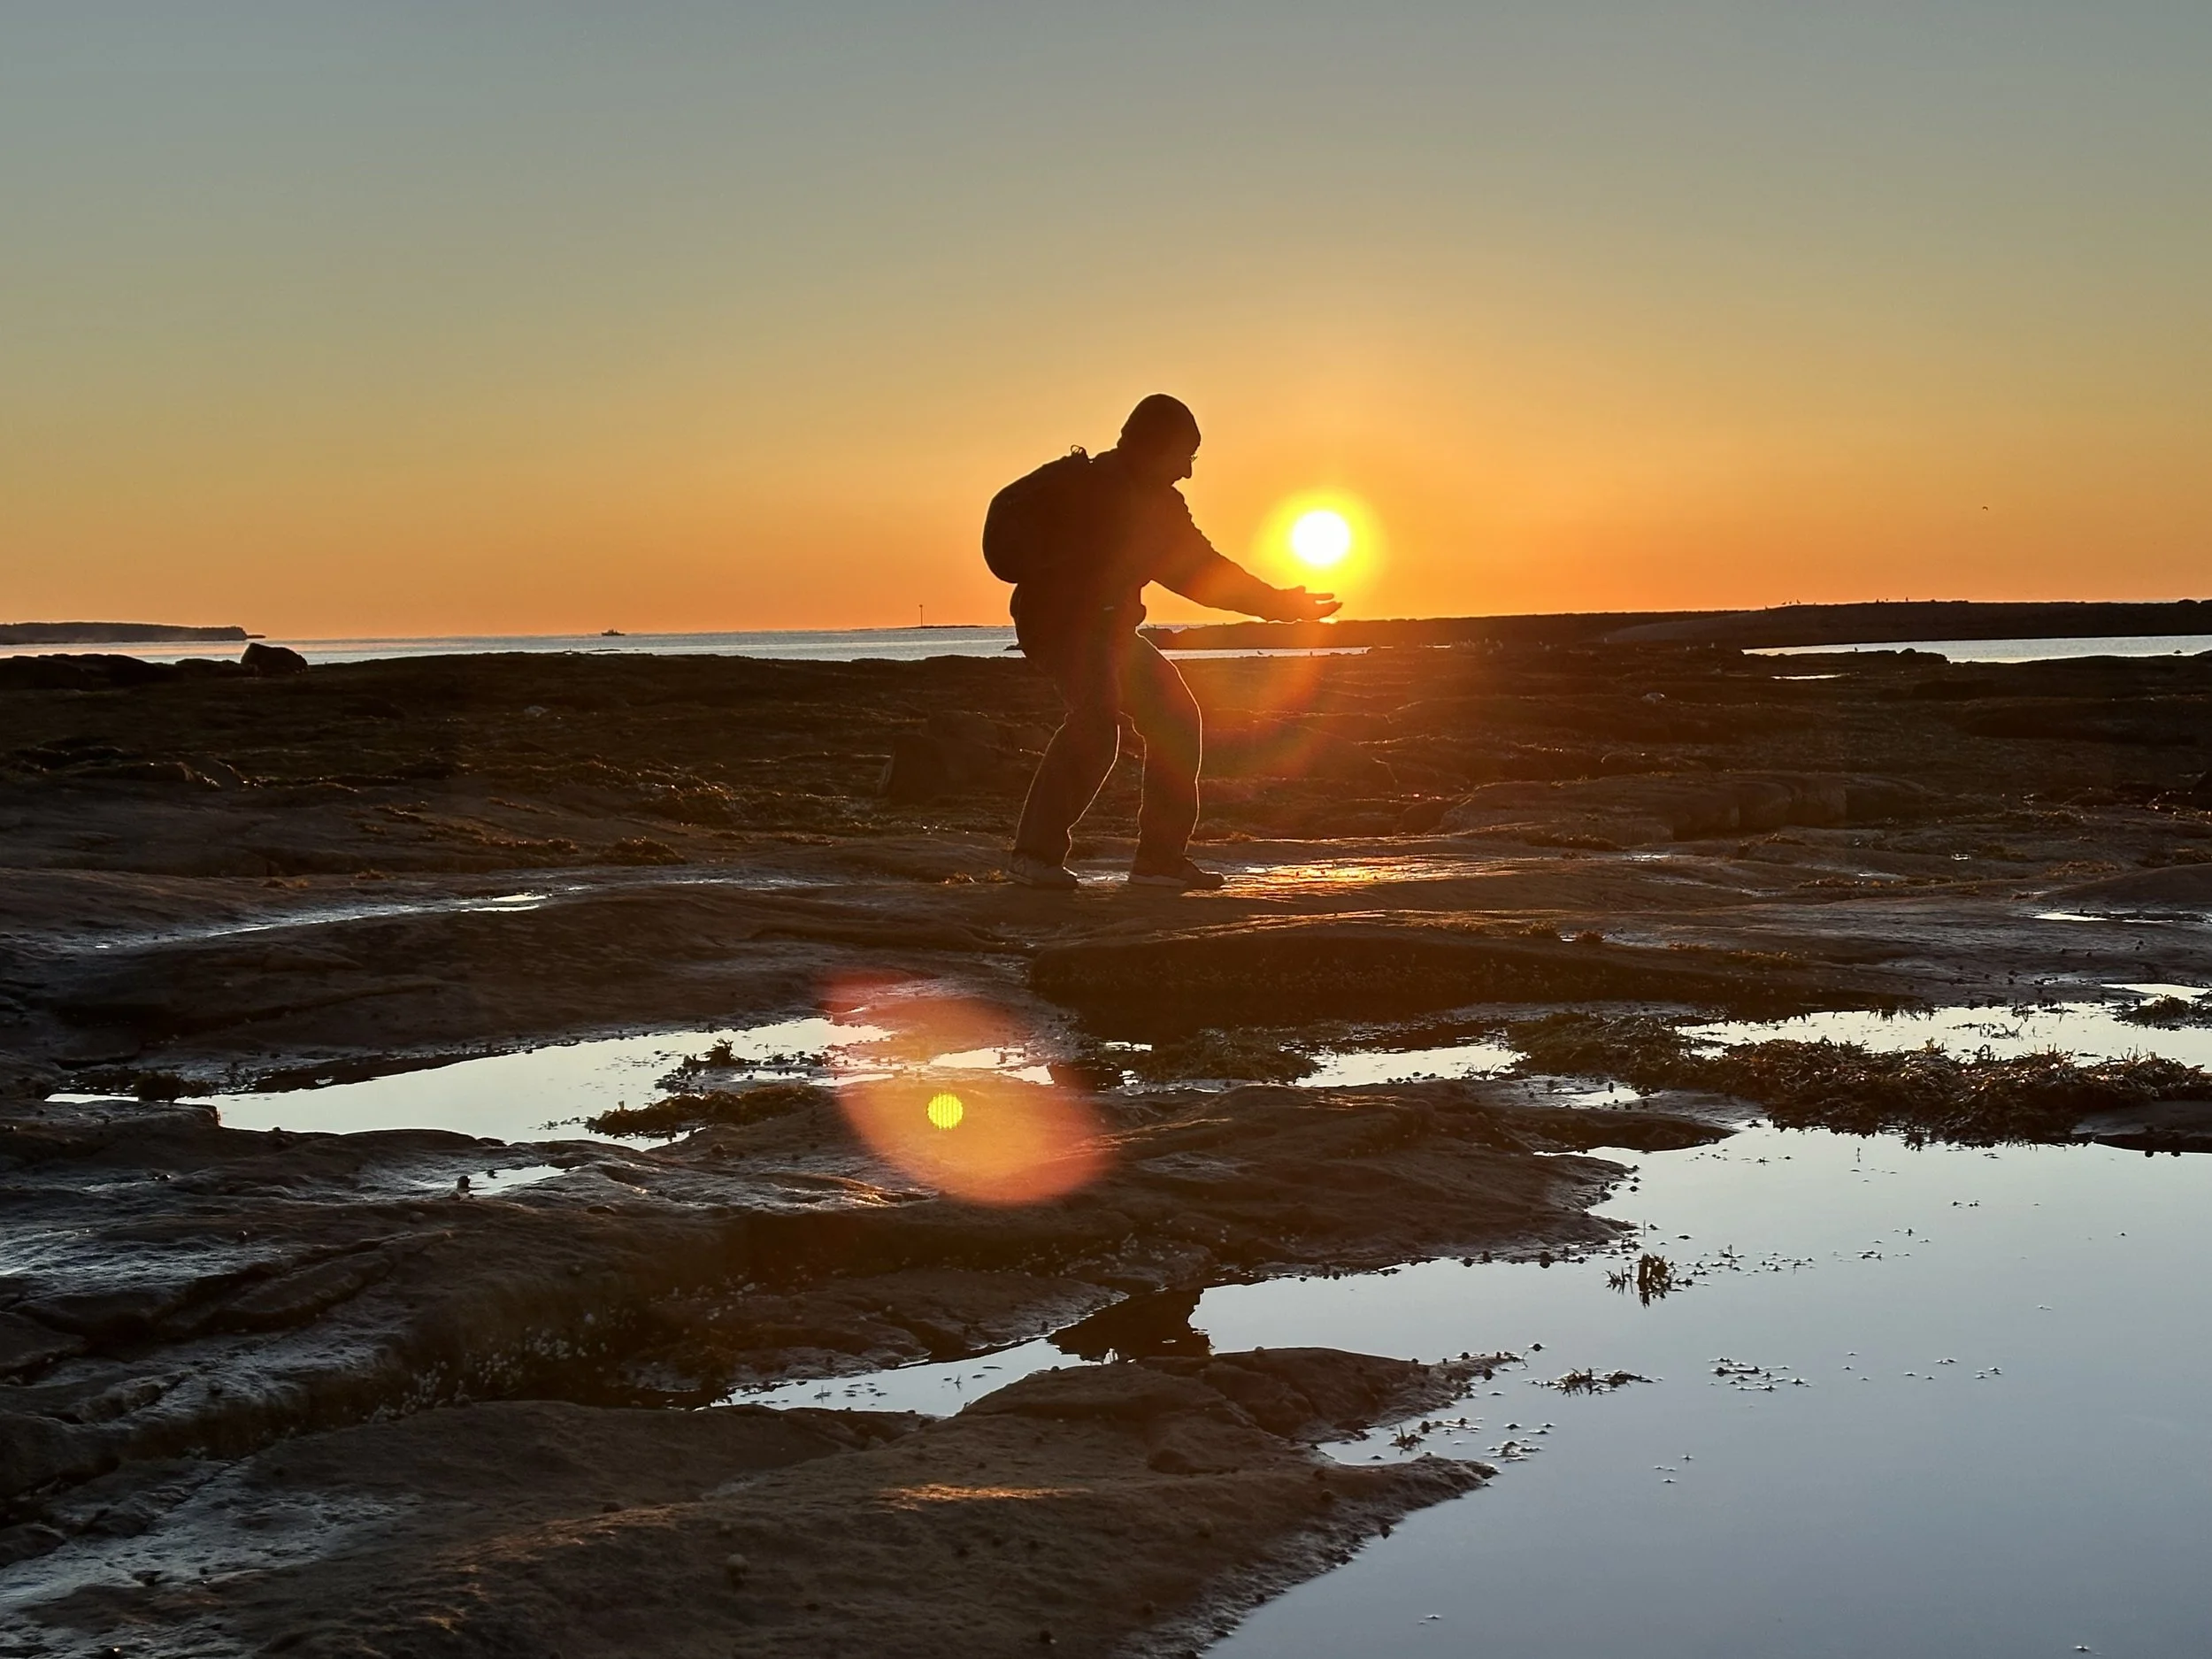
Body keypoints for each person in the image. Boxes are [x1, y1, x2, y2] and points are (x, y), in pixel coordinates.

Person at [995, 394, 1340, 890]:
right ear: (1151, 447)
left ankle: (1159, 862)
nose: (1188, 471)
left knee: (1176, 719)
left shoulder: (1160, 506)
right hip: (1058, 627)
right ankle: (1033, 856)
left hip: (1111, 631)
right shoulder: (1086, 487)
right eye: (1185, 456)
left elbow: (1204, 573)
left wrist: (1281, 604)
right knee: (1096, 721)